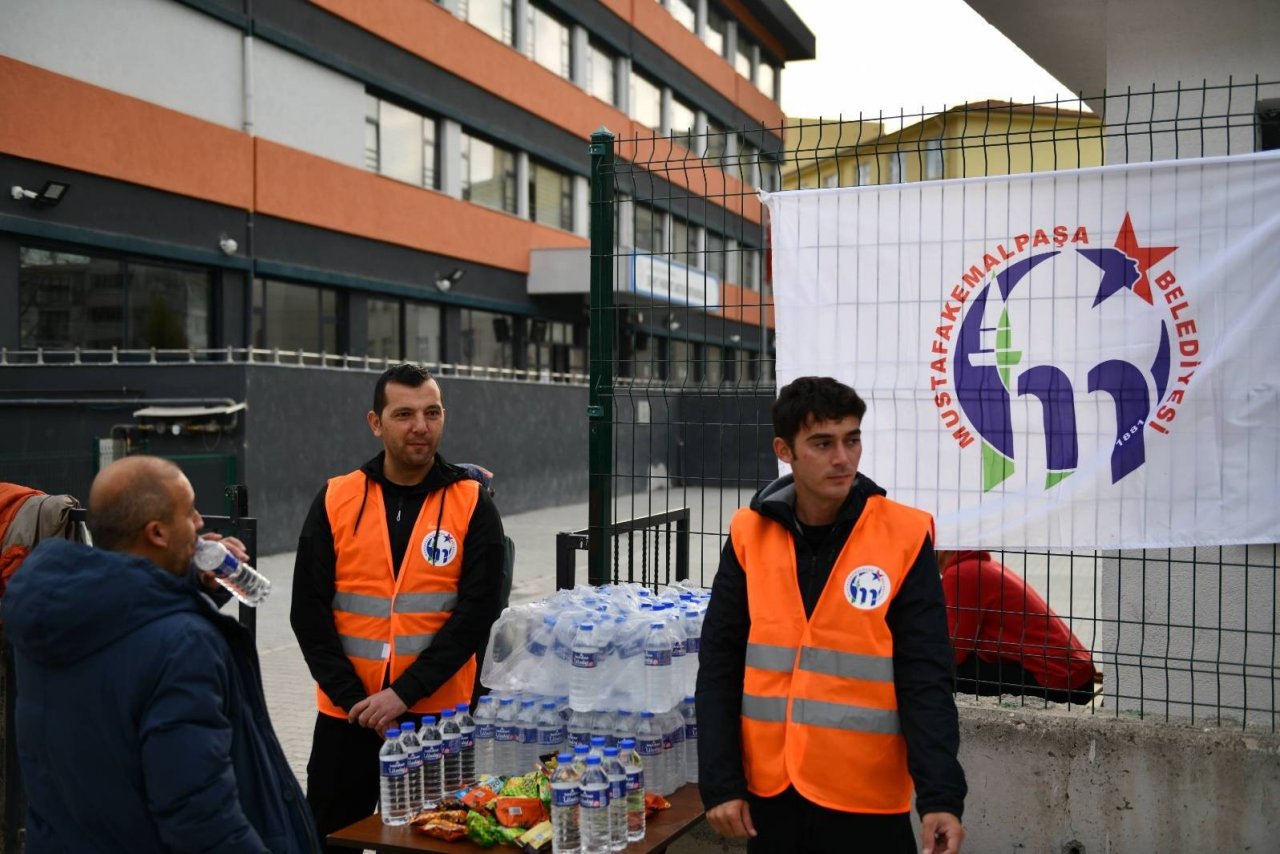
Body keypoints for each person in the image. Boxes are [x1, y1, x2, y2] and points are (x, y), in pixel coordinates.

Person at [696, 376, 967, 854]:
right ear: (785, 450)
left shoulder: (903, 535)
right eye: (822, 443)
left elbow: (924, 675)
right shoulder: (748, 533)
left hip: (865, 801)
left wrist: (941, 797)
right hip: (771, 797)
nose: (842, 458)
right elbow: (719, 666)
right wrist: (721, 783)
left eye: (852, 439)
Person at [1, 456, 320, 852]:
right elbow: (200, 816)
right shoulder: (183, 646)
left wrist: (187, 579)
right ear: (156, 533)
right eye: (188, 512)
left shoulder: (53, 614)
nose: (201, 522)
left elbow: (123, 628)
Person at [291, 363, 505, 847]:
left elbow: (476, 615)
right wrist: (355, 700)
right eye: (404, 414)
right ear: (376, 422)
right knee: (327, 837)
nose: (421, 427)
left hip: (436, 720)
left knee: (430, 841)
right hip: (347, 717)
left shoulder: (472, 502)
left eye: (432, 412)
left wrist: (403, 694)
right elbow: (307, 611)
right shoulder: (337, 497)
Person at [938, 550, 1099, 705]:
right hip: (1075, 675)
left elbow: (953, 653)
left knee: (936, 673)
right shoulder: (979, 566)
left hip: (1061, 682)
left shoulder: (961, 574)